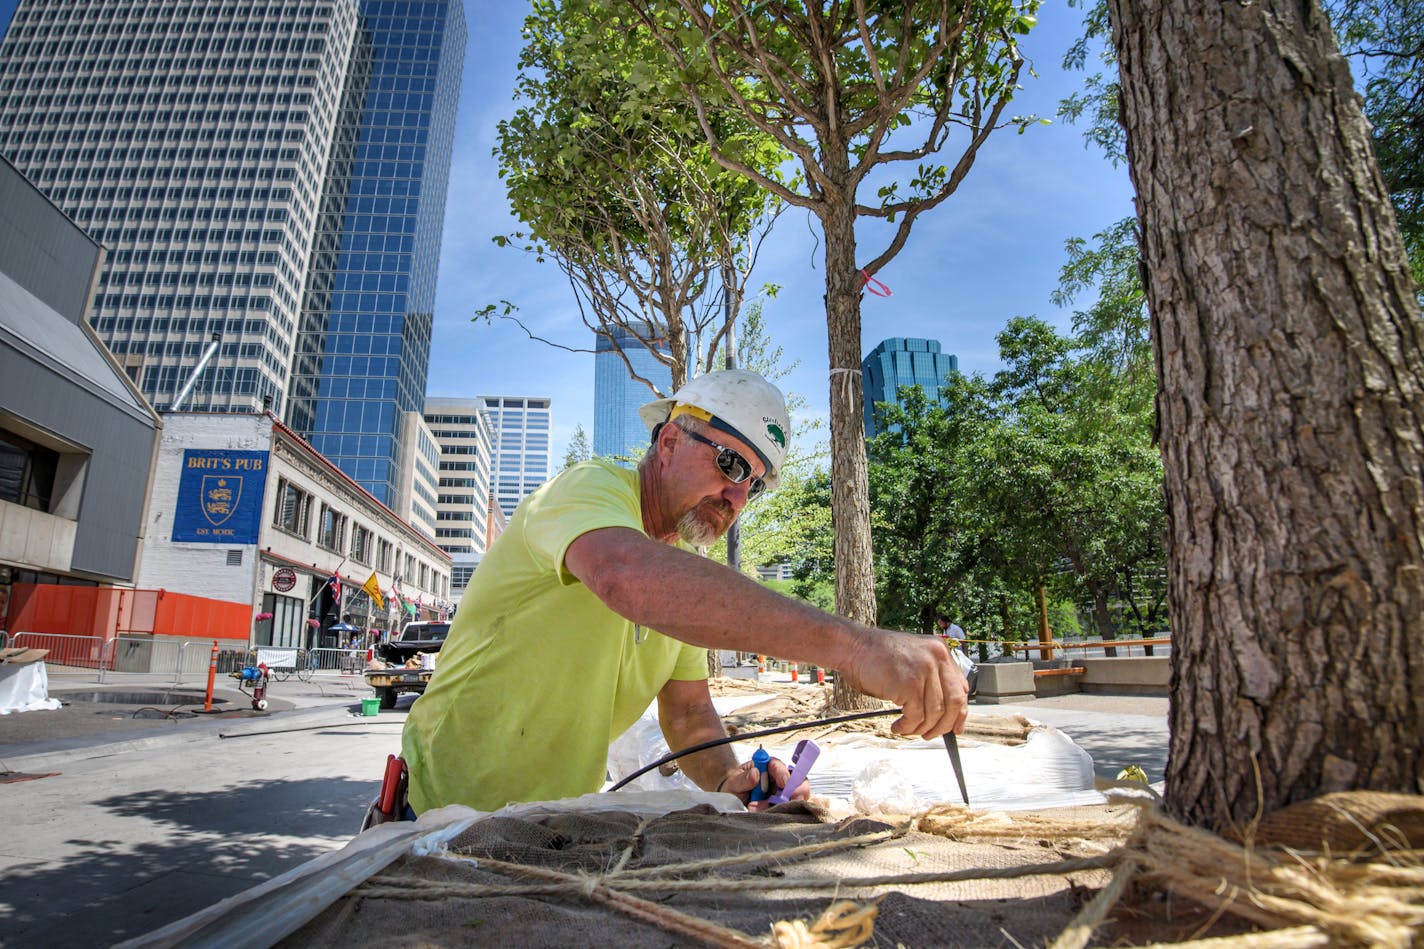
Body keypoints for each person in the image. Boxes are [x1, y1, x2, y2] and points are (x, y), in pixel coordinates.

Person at [399, 369, 969, 815]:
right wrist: (856, 647)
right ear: (669, 441)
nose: (736, 496)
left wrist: (731, 779)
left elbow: (690, 711)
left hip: (551, 824)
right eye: (730, 463)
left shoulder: (686, 572)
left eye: (755, 483)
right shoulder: (588, 490)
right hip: (438, 815)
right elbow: (626, 576)